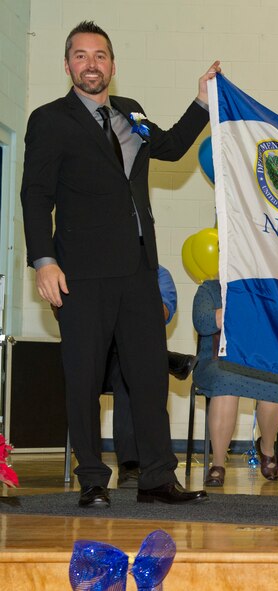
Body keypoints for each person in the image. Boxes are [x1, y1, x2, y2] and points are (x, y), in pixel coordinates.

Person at [20, 20, 220, 508]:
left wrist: (201, 101)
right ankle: (92, 478)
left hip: (138, 272)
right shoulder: (49, 120)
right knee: (84, 378)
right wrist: (43, 260)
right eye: (82, 56)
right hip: (80, 275)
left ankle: (156, 478)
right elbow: (34, 196)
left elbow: (170, 148)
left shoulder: (131, 113)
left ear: (113, 64)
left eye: (101, 55)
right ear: (68, 66)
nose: (92, 64)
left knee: (150, 377)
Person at [192, 280, 278, 487]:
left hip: (258, 360)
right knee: (226, 382)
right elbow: (203, 322)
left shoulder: (267, 289)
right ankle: (218, 463)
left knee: (276, 383)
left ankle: (267, 447)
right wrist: (241, 306)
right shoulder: (210, 289)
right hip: (217, 361)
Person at [110, 265, 197, 488]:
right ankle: (169, 360)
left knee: (130, 370)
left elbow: (162, 315)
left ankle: (131, 465)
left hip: (130, 358)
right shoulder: (103, 270)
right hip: (99, 358)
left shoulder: (159, 274)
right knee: (134, 360)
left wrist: (138, 289)